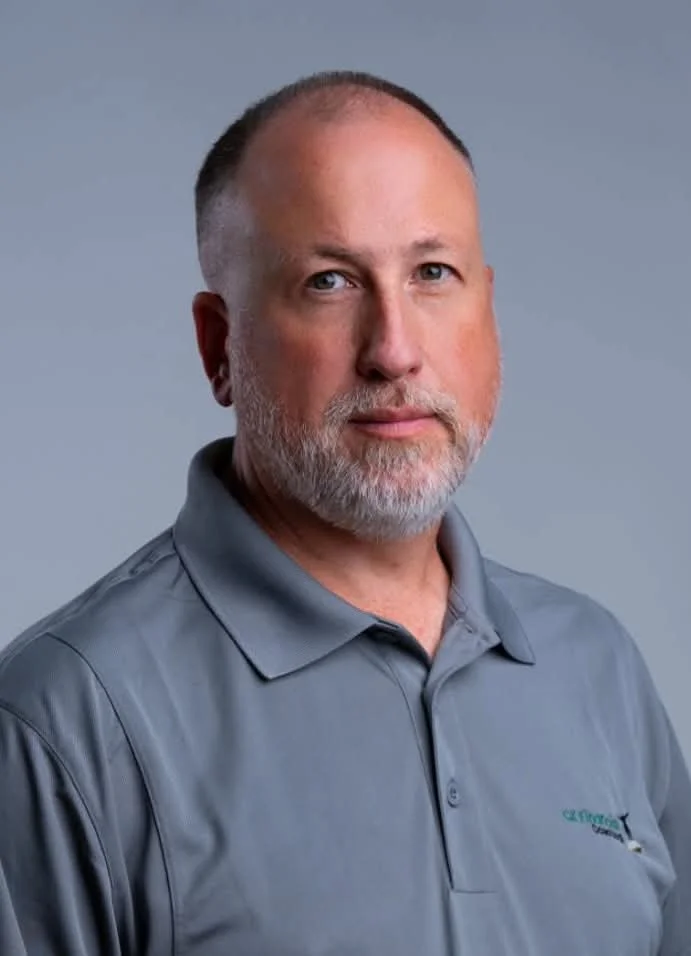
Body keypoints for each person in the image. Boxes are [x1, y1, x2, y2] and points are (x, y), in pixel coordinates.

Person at [0, 70, 688, 956]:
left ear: (489, 315)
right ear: (220, 348)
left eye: (432, 273)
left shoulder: (594, 669)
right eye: (329, 282)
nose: (394, 350)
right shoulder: (63, 721)